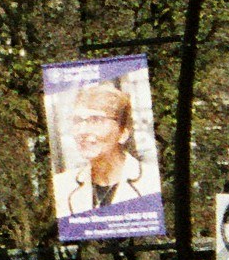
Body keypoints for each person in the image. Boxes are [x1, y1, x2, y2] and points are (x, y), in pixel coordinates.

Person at [53, 77, 161, 222]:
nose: (83, 131)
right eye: (78, 121)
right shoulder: (62, 186)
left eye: (96, 120)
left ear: (123, 134)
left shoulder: (151, 181)